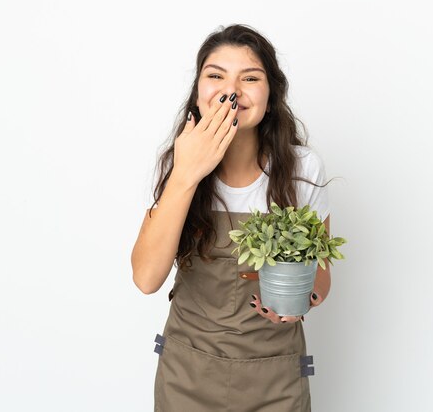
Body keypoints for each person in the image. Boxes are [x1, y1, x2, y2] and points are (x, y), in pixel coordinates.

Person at [131, 23, 333, 412]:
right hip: (186, 376)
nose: (232, 89)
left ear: (271, 95)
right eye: (216, 75)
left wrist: (299, 301)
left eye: (250, 77)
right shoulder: (175, 164)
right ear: (198, 91)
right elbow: (146, 278)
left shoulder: (303, 168)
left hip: (276, 379)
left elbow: (320, 279)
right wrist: (187, 174)